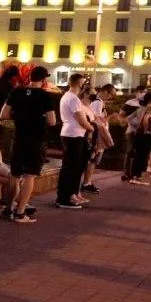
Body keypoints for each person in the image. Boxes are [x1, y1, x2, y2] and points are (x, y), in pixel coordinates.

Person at [0, 66, 57, 223]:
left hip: (19, 137)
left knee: (15, 174)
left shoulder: (16, 92)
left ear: (29, 77)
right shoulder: (44, 96)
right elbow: (52, 121)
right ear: (44, 80)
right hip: (36, 139)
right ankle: (20, 212)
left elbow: (3, 114)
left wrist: (20, 116)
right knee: (30, 175)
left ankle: (9, 208)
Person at [56, 73, 94, 210]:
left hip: (72, 134)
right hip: (73, 135)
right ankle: (64, 198)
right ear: (79, 83)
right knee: (70, 167)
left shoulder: (68, 97)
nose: (84, 85)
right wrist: (91, 128)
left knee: (71, 166)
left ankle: (68, 195)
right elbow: (80, 119)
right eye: (83, 82)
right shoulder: (72, 98)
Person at [121, 85, 148, 182]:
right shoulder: (130, 103)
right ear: (136, 92)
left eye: (145, 92)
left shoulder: (144, 104)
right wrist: (133, 124)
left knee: (139, 153)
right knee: (129, 151)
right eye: (141, 91)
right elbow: (122, 115)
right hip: (131, 130)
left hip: (141, 133)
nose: (143, 94)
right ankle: (126, 173)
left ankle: (135, 173)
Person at [127, 92, 151, 184]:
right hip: (147, 134)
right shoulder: (149, 110)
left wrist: (136, 126)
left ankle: (134, 175)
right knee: (144, 155)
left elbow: (129, 118)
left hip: (139, 134)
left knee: (138, 154)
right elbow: (147, 121)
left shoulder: (140, 109)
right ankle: (139, 175)